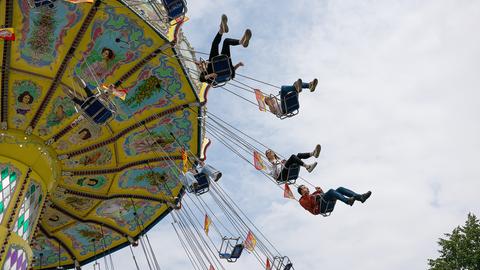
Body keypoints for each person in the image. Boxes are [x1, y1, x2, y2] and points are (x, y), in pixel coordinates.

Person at [197, 14, 252, 84]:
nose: (202, 66)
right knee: (215, 45)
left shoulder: (207, 66)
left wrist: (238, 65)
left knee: (226, 41)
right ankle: (222, 30)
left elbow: (229, 70)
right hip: (215, 69)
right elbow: (201, 79)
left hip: (221, 62)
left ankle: (241, 42)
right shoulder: (205, 73)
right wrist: (238, 65)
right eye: (201, 66)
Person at [297, 184, 372, 215]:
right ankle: (347, 201)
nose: (306, 188)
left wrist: (320, 191)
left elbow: (324, 196)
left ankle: (360, 197)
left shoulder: (313, 194)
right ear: (301, 192)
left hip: (326, 203)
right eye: (303, 188)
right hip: (320, 208)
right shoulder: (302, 200)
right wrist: (306, 195)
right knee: (331, 191)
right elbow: (310, 204)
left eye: (305, 187)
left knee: (340, 189)